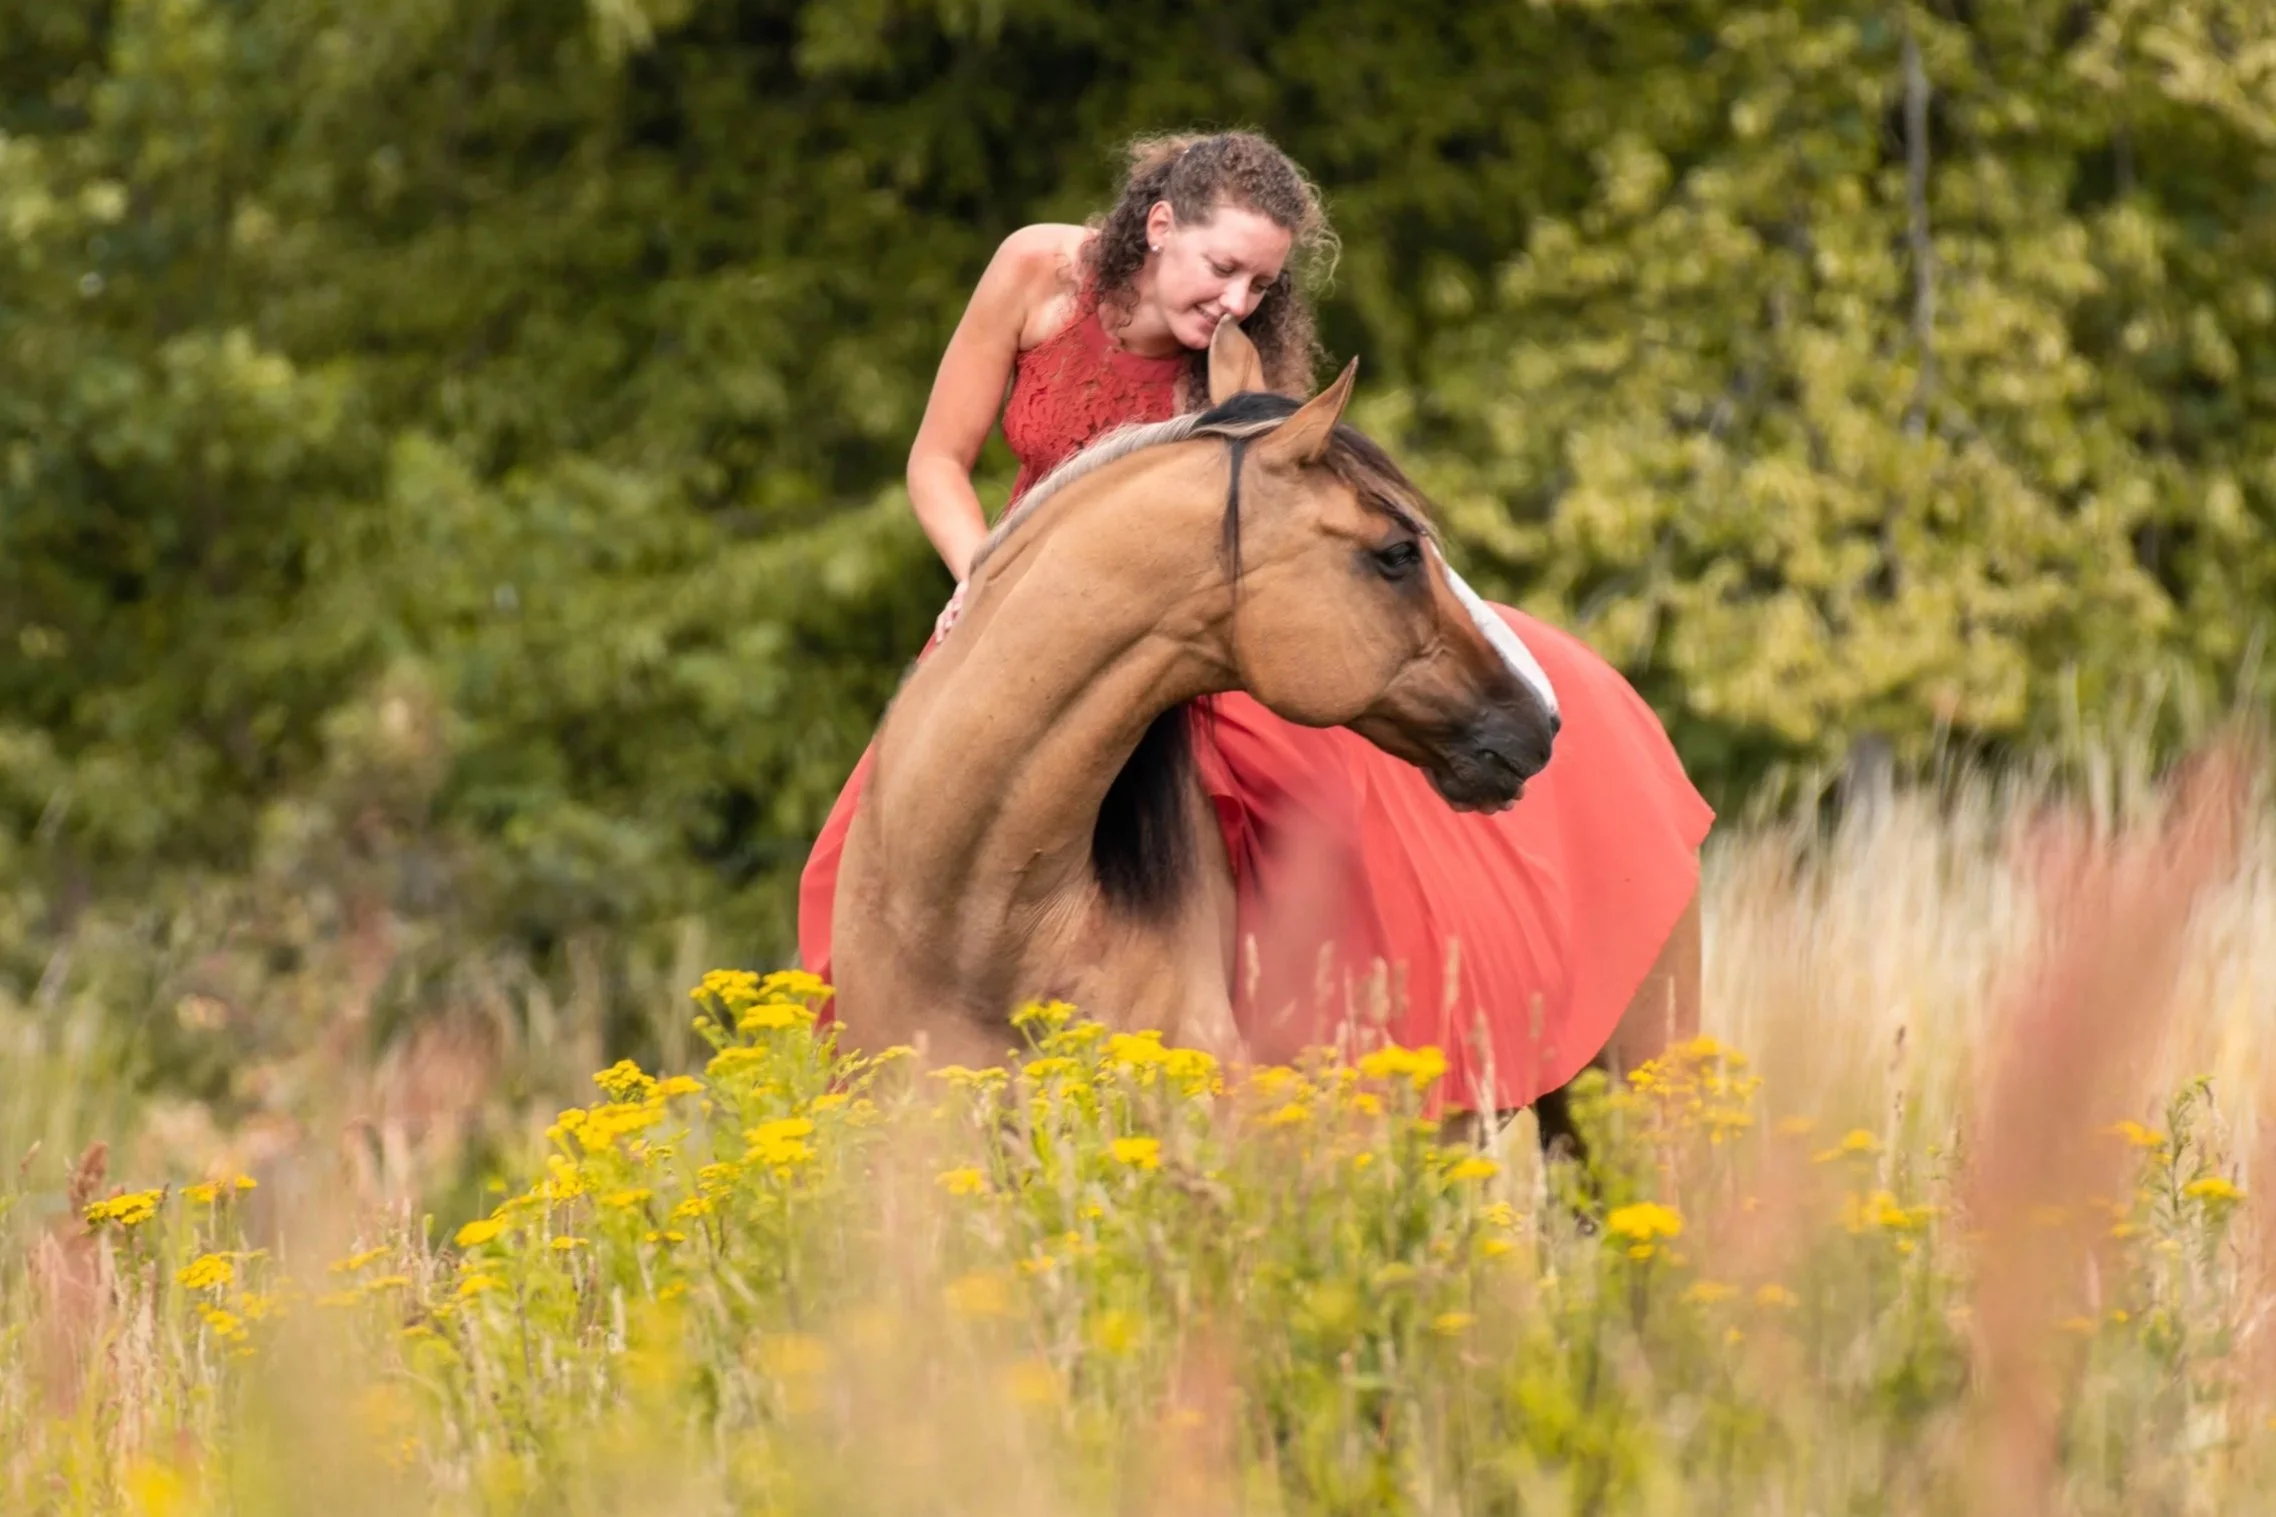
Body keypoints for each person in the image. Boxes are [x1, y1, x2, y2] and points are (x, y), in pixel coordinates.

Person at [797, 129, 1714, 1117]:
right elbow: (936, 460)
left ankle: (1325, 1083)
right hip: (1002, 612)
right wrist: (983, 580)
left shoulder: (1235, 374)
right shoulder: (1033, 271)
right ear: (1156, 227)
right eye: (1222, 268)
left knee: (1319, 816)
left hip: (1177, 649)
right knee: (861, 843)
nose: (1235, 302)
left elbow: (1273, 547)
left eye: (1258, 284)